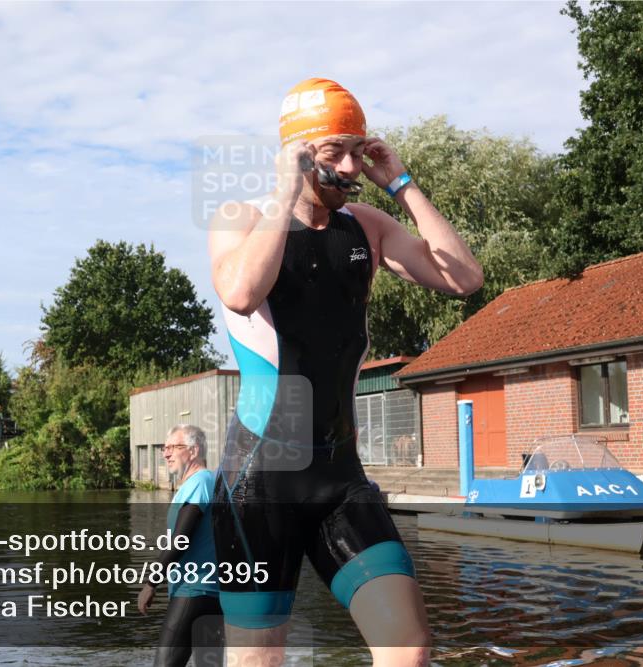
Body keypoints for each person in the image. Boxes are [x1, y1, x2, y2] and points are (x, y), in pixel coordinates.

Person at [207, 78, 483, 667]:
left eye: (359, 150)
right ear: (298, 151)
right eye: (336, 151)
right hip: (261, 479)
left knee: (407, 649)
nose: (353, 166)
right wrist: (286, 192)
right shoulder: (241, 218)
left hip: (340, 473)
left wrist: (402, 183)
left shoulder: (368, 227)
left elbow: (463, 280)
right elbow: (238, 292)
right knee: (261, 659)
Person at [138, 424, 223, 667]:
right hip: (210, 592)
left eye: (173, 447)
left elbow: (180, 541)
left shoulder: (200, 481)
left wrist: (151, 583)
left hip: (194, 590)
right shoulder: (203, 482)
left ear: (194, 451)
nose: (166, 453)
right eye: (164, 448)